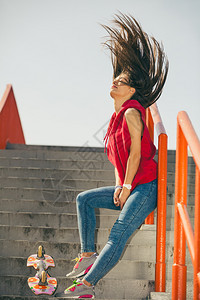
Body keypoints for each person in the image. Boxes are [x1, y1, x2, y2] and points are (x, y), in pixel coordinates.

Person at [56, 13, 169, 298]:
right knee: (84, 199)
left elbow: (134, 154)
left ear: (131, 91)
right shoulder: (114, 119)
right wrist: (119, 184)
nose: (114, 84)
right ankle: (87, 254)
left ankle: (87, 285)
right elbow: (118, 161)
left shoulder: (132, 111)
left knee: (118, 233)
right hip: (130, 186)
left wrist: (127, 186)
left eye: (120, 82)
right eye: (114, 80)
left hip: (145, 187)